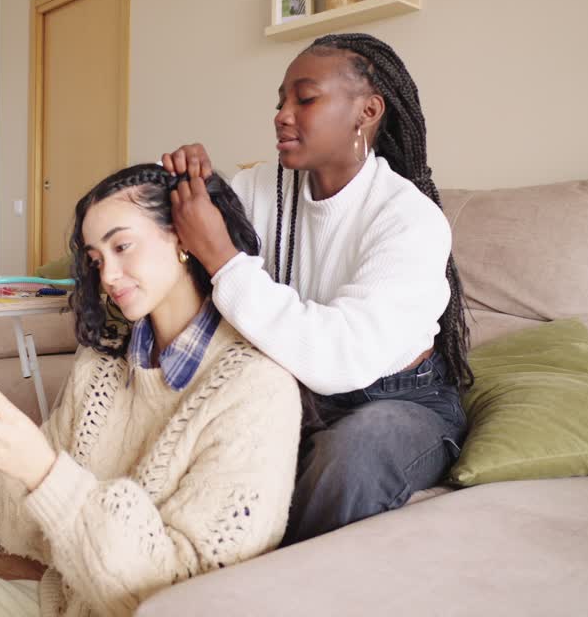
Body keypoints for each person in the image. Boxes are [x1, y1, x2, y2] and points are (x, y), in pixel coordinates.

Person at [0, 164, 302, 617]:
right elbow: (32, 539)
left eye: (122, 246)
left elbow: (174, 597)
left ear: (183, 239)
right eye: (95, 256)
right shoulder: (103, 367)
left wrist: (42, 469)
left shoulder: (256, 389)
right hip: (58, 606)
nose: (107, 274)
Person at [162, 32, 472, 545]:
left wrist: (223, 258)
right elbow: (161, 235)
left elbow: (339, 358)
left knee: (353, 455)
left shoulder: (410, 218)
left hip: (399, 400)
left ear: (366, 111)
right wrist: (179, 177)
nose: (282, 115)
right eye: (280, 101)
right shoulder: (260, 188)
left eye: (304, 99)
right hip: (291, 392)